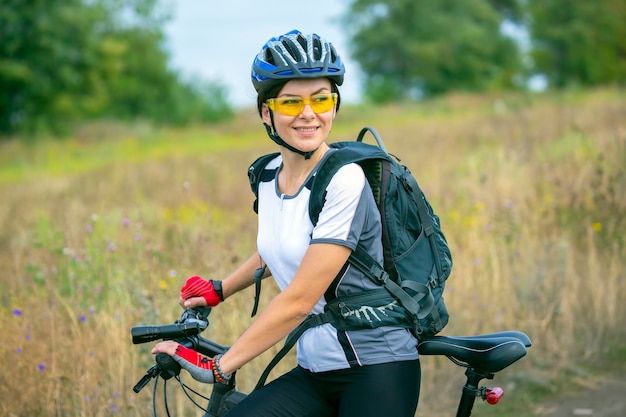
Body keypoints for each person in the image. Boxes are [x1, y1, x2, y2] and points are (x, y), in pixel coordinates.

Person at [151, 29, 421, 417]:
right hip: (315, 370)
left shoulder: (345, 180)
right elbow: (280, 244)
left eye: (321, 99)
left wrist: (220, 366)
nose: (309, 114)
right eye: (292, 102)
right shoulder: (268, 175)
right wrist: (221, 289)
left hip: (377, 368)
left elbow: (298, 302)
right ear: (267, 112)